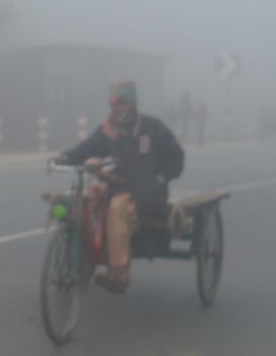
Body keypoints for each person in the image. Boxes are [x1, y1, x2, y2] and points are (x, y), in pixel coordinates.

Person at [53, 80, 184, 293]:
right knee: (86, 203)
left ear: (132, 103)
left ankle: (120, 271)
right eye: (114, 105)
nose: (117, 109)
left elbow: (176, 158)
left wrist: (159, 179)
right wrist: (65, 157)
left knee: (116, 209)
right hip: (115, 186)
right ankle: (87, 257)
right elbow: (85, 149)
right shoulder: (108, 130)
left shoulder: (152, 127)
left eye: (121, 104)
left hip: (146, 194)